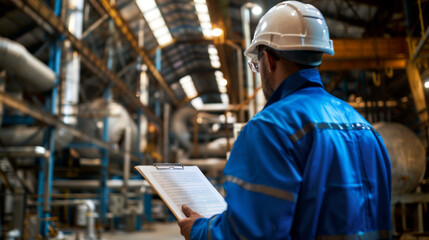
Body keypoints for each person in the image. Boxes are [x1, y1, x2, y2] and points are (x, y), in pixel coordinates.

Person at [178, 1, 392, 239]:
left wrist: (198, 230)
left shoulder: (270, 128)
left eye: (257, 65)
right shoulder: (366, 129)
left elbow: (249, 234)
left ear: (268, 60)